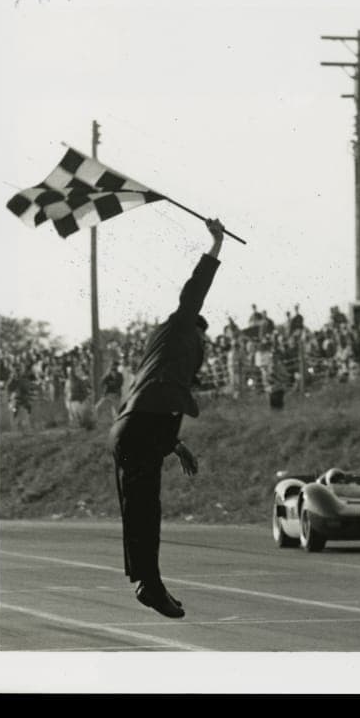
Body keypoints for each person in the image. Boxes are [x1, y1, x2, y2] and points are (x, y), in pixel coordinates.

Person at [108, 218, 225, 619]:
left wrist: (174, 444)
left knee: (143, 510)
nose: (204, 349)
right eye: (204, 340)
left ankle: (148, 583)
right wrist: (216, 245)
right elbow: (194, 292)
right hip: (141, 429)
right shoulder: (181, 326)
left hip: (139, 428)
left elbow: (153, 401)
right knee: (144, 512)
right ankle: (148, 585)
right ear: (196, 330)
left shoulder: (160, 347)